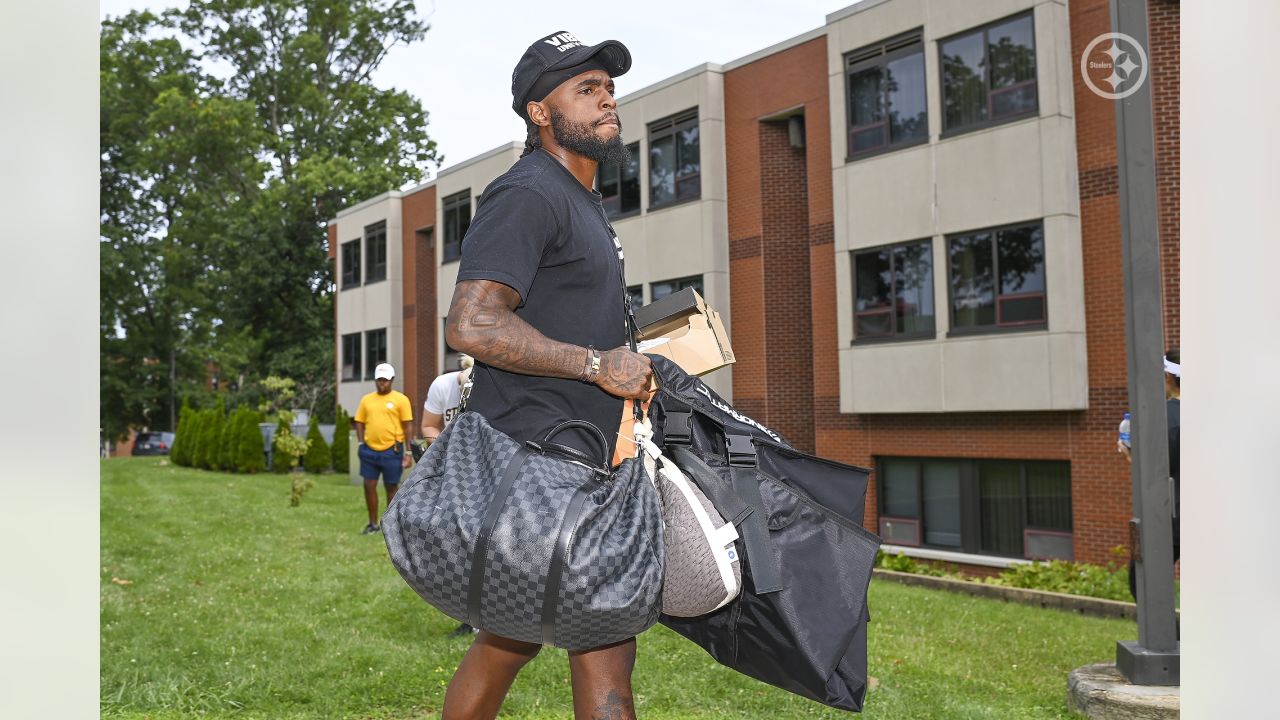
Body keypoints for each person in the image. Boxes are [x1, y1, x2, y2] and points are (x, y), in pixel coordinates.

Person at [439, 30, 654, 720]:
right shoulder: (528, 193)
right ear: (540, 112)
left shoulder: (583, 200)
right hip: (535, 468)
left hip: (578, 462)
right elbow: (471, 324)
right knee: (602, 645)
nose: (606, 99)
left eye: (609, 87)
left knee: (509, 642)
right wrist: (597, 365)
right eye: (586, 89)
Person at [418, 353, 479, 637]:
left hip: (486, 475)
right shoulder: (443, 386)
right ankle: (469, 616)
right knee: (456, 547)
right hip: (452, 477)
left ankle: (490, 616)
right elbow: (430, 425)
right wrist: (441, 452)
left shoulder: (492, 387)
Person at [1120, 346, 1180, 602]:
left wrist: (1129, 454)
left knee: (1144, 584)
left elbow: (1151, 473)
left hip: (1169, 519)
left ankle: (1175, 639)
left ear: (1167, 376)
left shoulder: (1157, 419)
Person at [353, 362, 415, 535]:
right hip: (369, 450)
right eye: (379, 380)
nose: (382, 383)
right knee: (368, 485)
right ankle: (372, 524)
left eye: (386, 380)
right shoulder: (367, 400)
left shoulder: (401, 399)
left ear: (392, 380)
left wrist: (409, 452)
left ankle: (390, 526)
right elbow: (359, 421)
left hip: (392, 450)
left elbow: (408, 426)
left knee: (391, 487)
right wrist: (360, 443)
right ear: (375, 380)